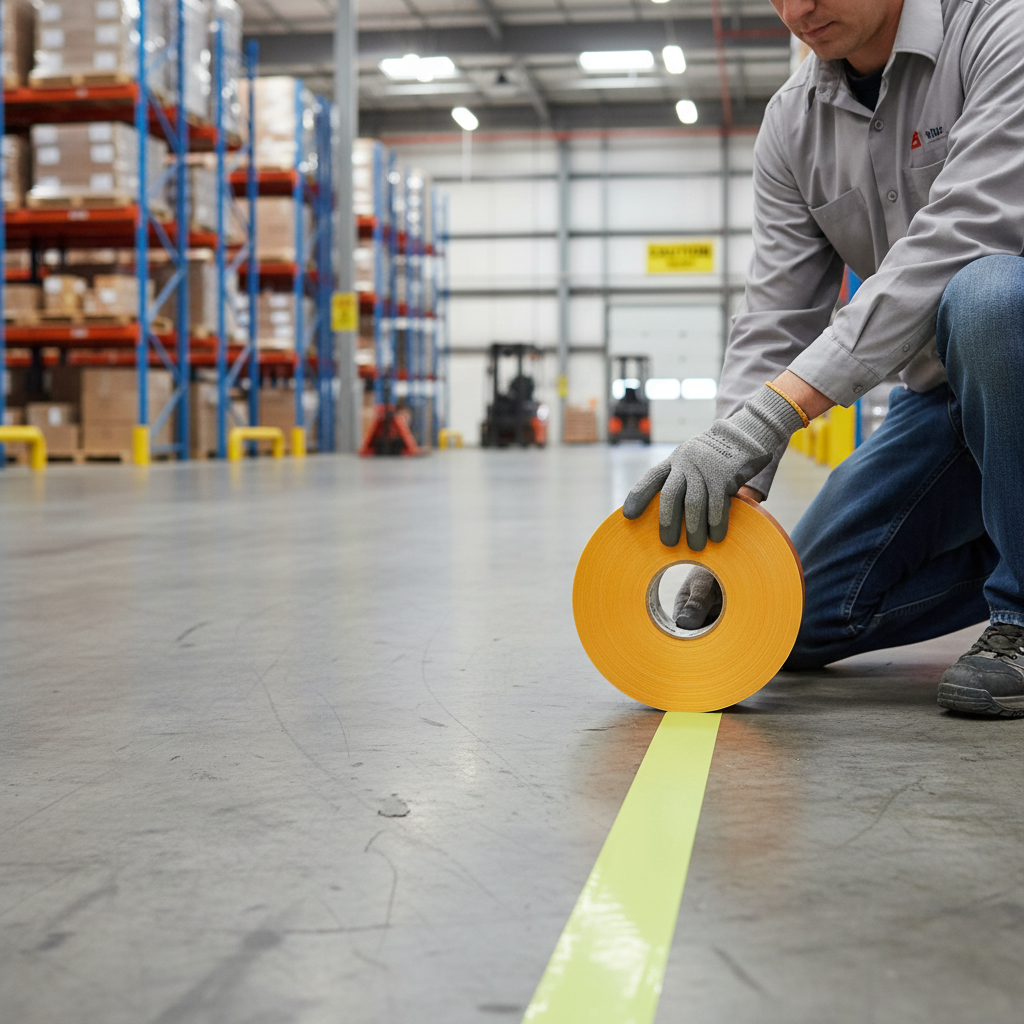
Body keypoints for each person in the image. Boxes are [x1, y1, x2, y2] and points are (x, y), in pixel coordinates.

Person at [623, 0, 1024, 718]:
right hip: (943, 394)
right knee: (790, 618)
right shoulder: (793, 123)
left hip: (1009, 349)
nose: (798, 9)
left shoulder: (998, 28)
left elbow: (968, 230)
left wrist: (775, 414)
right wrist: (732, 494)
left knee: (989, 297)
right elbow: (775, 316)